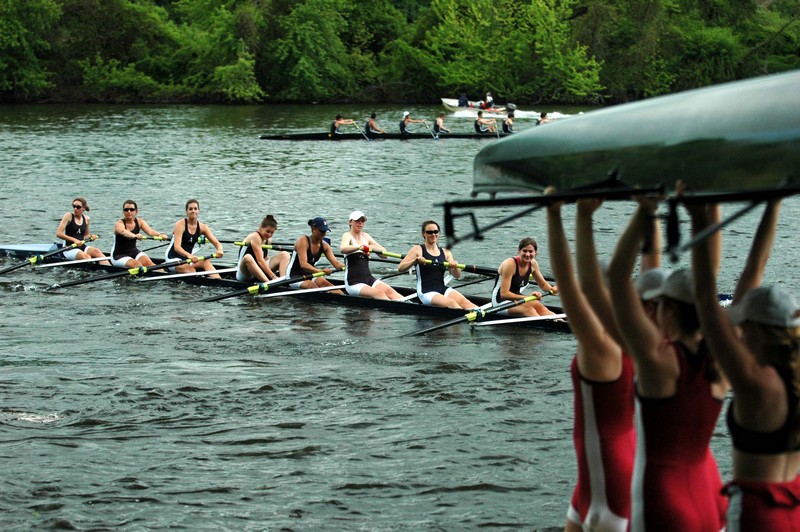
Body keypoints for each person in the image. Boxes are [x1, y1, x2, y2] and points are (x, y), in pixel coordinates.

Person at [606, 197, 728, 531]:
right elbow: (708, 280)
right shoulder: (721, 355)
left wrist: (646, 210)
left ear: (668, 311)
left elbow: (617, 278)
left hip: (662, 500)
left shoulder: (656, 359)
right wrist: (707, 210)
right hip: (711, 496)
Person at [690, 199, 800, 530]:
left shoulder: (752, 380)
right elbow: (757, 264)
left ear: (754, 331)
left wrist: (699, 218)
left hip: (756, 513)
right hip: (794, 507)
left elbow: (705, 297)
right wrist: (774, 202)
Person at [547, 199, 635, 532]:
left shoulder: (600, 346)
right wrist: (647, 212)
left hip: (606, 479)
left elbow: (568, 282)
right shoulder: (641, 341)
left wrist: (559, 215)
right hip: (596, 476)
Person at [397, 220, 475, 309]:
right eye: (429, 232)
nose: (433, 234)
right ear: (423, 234)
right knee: (452, 304)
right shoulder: (417, 249)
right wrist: (415, 261)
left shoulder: (446, 252)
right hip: (426, 291)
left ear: (439, 233)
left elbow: (456, 276)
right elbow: (400, 268)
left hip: (442, 288)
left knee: (466, 303)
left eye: (435, 232)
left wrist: (455, 267)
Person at [340, 210, 402, 300]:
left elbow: (384, 254)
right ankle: (397, 309)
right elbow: (343, 249)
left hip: (368, 279)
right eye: (357, 221)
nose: (360, 223)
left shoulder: (366, 236)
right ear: (350, 222)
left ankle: (411, 306)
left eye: (362, 221)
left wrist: (369, 247)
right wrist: (359, 247)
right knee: (379, 294)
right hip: (353, 282)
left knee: (390, 291)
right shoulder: (347, 235)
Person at [491, 237, 558, 317]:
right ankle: (545, 325)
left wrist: (552, 290)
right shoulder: (509, 265)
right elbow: (504, 294)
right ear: (519, 251)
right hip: (500, 302)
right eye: (525, 251)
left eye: (530, 251)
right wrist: (528, 297)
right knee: (529, 310)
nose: (527, 254)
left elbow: (543, 284)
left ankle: (560, 322)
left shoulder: (533, 264)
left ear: (535, 252)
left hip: (516, 297)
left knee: (540, 307)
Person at [164, 199, 224, 278]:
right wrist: (189, 256)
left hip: (187, 259)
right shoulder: (180, 225)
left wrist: (220, 249)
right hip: (173, 259)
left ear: (198, 211)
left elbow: (216, 242)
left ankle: (218, 281)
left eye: (195, 209)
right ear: (186, 211)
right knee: (191, 270)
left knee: (206, 262)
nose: (193, 211)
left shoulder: (203, 227)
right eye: (190, 209)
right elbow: (177, 247)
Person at [287, 216, 345, 292]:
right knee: (312, 286)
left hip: (311, 274)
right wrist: (321, 271)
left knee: (328, 285)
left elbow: (336, 264)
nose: (324, 234)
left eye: (325, 231)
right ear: (314, 229)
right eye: (322, 231)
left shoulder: (325, 245)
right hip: (294, 276)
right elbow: (303, 265)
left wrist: (349, 267)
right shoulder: (303, 241)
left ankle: (342, 298)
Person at [111, 200, 169, 268]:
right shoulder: (119, 223)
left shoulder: (139, 221)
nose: (129, 212)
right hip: (118, 255)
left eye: (131, 209)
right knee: (137, 264)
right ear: (123, 211)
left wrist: (160, 235)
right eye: (126, 210)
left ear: (136, 211)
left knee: (151, 265)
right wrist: (134, 236)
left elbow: (150, 232)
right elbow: (123, 232)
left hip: (133, 251)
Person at [236, 214, 290, 283]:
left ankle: (284, 280)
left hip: (258, 271)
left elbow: (265, 257)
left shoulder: (268, 240)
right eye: (267, 231)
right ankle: (270, 283)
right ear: (261, 227)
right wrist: (273, 276)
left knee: (284, 254)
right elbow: (260, 260)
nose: (269, 235)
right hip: (245, 274)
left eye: (272, 233)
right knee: (248, 257)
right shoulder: (255, 237)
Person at [55, 197, 109, 264]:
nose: (75, 209)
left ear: (83, 208)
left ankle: (111, 269)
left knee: (97, 251)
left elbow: (86, 236)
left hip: (82, 246)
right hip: (69, 248)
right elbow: (59, 233)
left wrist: (91, 237)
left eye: (78, 207)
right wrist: (74, 240)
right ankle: (92, 271)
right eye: (74, 206)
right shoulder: (68, 216)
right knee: (86, 257)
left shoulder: (86, 219)